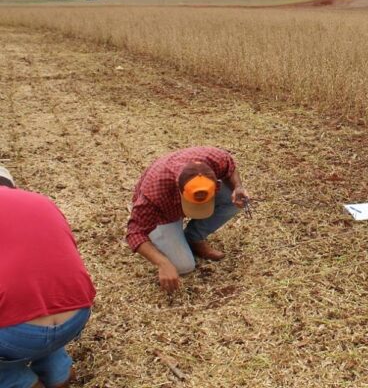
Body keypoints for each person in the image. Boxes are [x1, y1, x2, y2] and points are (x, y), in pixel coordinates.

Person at [0, 165, 96, 388]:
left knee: (21, 331)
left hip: (18, 332)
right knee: (37, 315)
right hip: (77, 314)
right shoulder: (41, 201)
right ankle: (58, 372)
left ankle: (18, 381)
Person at [126, 147, 251, 293]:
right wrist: (162, 263)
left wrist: (238, 186)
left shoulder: (216, 158)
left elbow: (230, 168)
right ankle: (165, 236)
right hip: (164, 215)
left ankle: (194, 238)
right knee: (184, 266)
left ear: (215, 184)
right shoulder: (154, 192)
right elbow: (134, 232)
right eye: (192, 205)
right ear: (179, 191)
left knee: (233, 199)